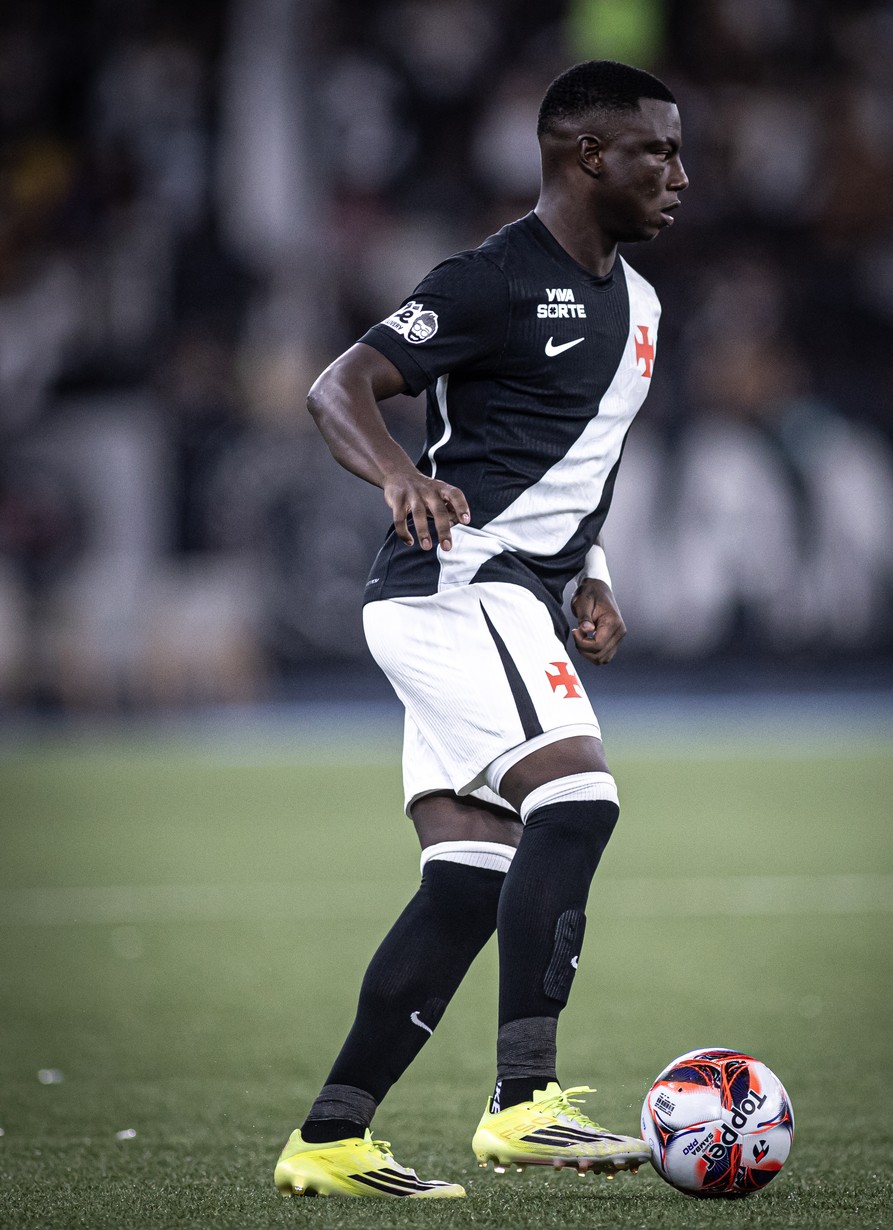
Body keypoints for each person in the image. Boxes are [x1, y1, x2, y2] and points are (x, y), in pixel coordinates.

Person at [274, 58, 688, 1199]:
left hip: (504, 594)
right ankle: (525, 1104)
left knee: (467, 878)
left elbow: (577, 466)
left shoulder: (644, 309)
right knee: (579, 799)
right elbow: (338, 387)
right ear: (587, 157)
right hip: (454, 583)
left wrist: (591, 571)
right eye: (657, 152)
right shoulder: (491, 278)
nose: (679, 177)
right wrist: (399, 473)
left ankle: (331, 1137)